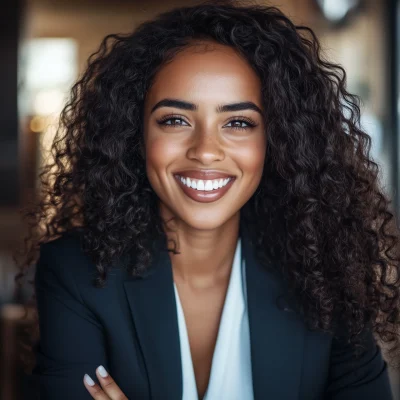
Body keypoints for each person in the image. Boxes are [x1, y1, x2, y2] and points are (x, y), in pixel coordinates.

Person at [15, 0, 400, 399]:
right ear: (135, 134)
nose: (205, 150)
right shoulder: (76, 272)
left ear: (278, 141)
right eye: (175, 120)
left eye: (238, 123)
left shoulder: (325, 271)